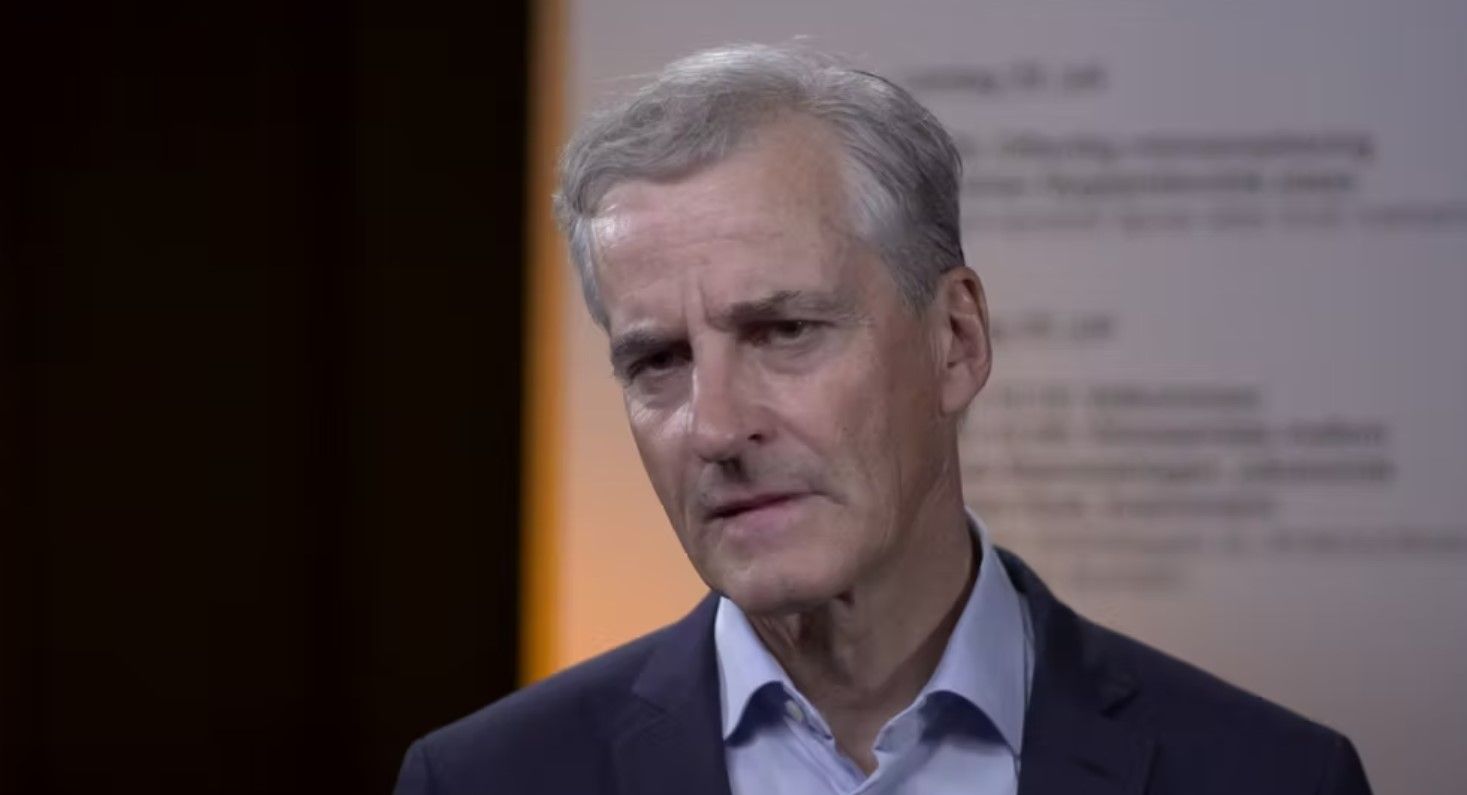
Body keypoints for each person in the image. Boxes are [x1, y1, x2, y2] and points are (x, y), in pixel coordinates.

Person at [395, 43, 1372, 795]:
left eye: (783, 331)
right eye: (659, 361)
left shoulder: (1271, 776)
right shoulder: (485, 781)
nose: (716, 428)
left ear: (955, 341)